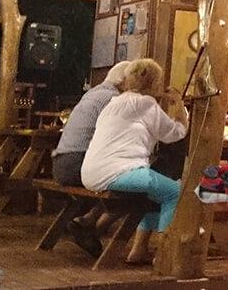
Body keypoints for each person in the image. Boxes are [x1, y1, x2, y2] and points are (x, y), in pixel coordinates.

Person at [81, 59, 189, 264]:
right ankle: (165, 254)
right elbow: (175, 133)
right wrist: (180, 106)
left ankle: (139, 250)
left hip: (92, 170)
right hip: (117, 171)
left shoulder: (116, 102)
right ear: (155, 82)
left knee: (152, 194)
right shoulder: (145, 103)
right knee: (176, 192)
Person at [52, 61, 131, 256]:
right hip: (78, 164)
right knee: (137, 187)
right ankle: (91, 226)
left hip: (62, 163)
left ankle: (88, 221)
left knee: (128, 180)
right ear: (125, 81)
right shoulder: (112, 99)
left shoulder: (94, 93)